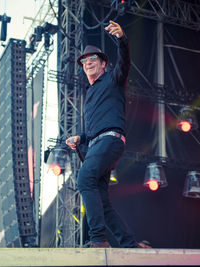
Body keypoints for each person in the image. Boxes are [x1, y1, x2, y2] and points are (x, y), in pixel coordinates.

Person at [66, 20, 150, 248]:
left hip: (110, 140)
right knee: (102, 202)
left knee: (84, 179)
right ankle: (129, 244)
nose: (88, 62)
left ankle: (98, 240)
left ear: (104, 64)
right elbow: (93, 128)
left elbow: (125, 61)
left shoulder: (113, 79)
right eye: (84, 60)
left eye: (93, 59)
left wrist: (122, 39)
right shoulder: (90, 93)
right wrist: (80, 138)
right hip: (97, 145)